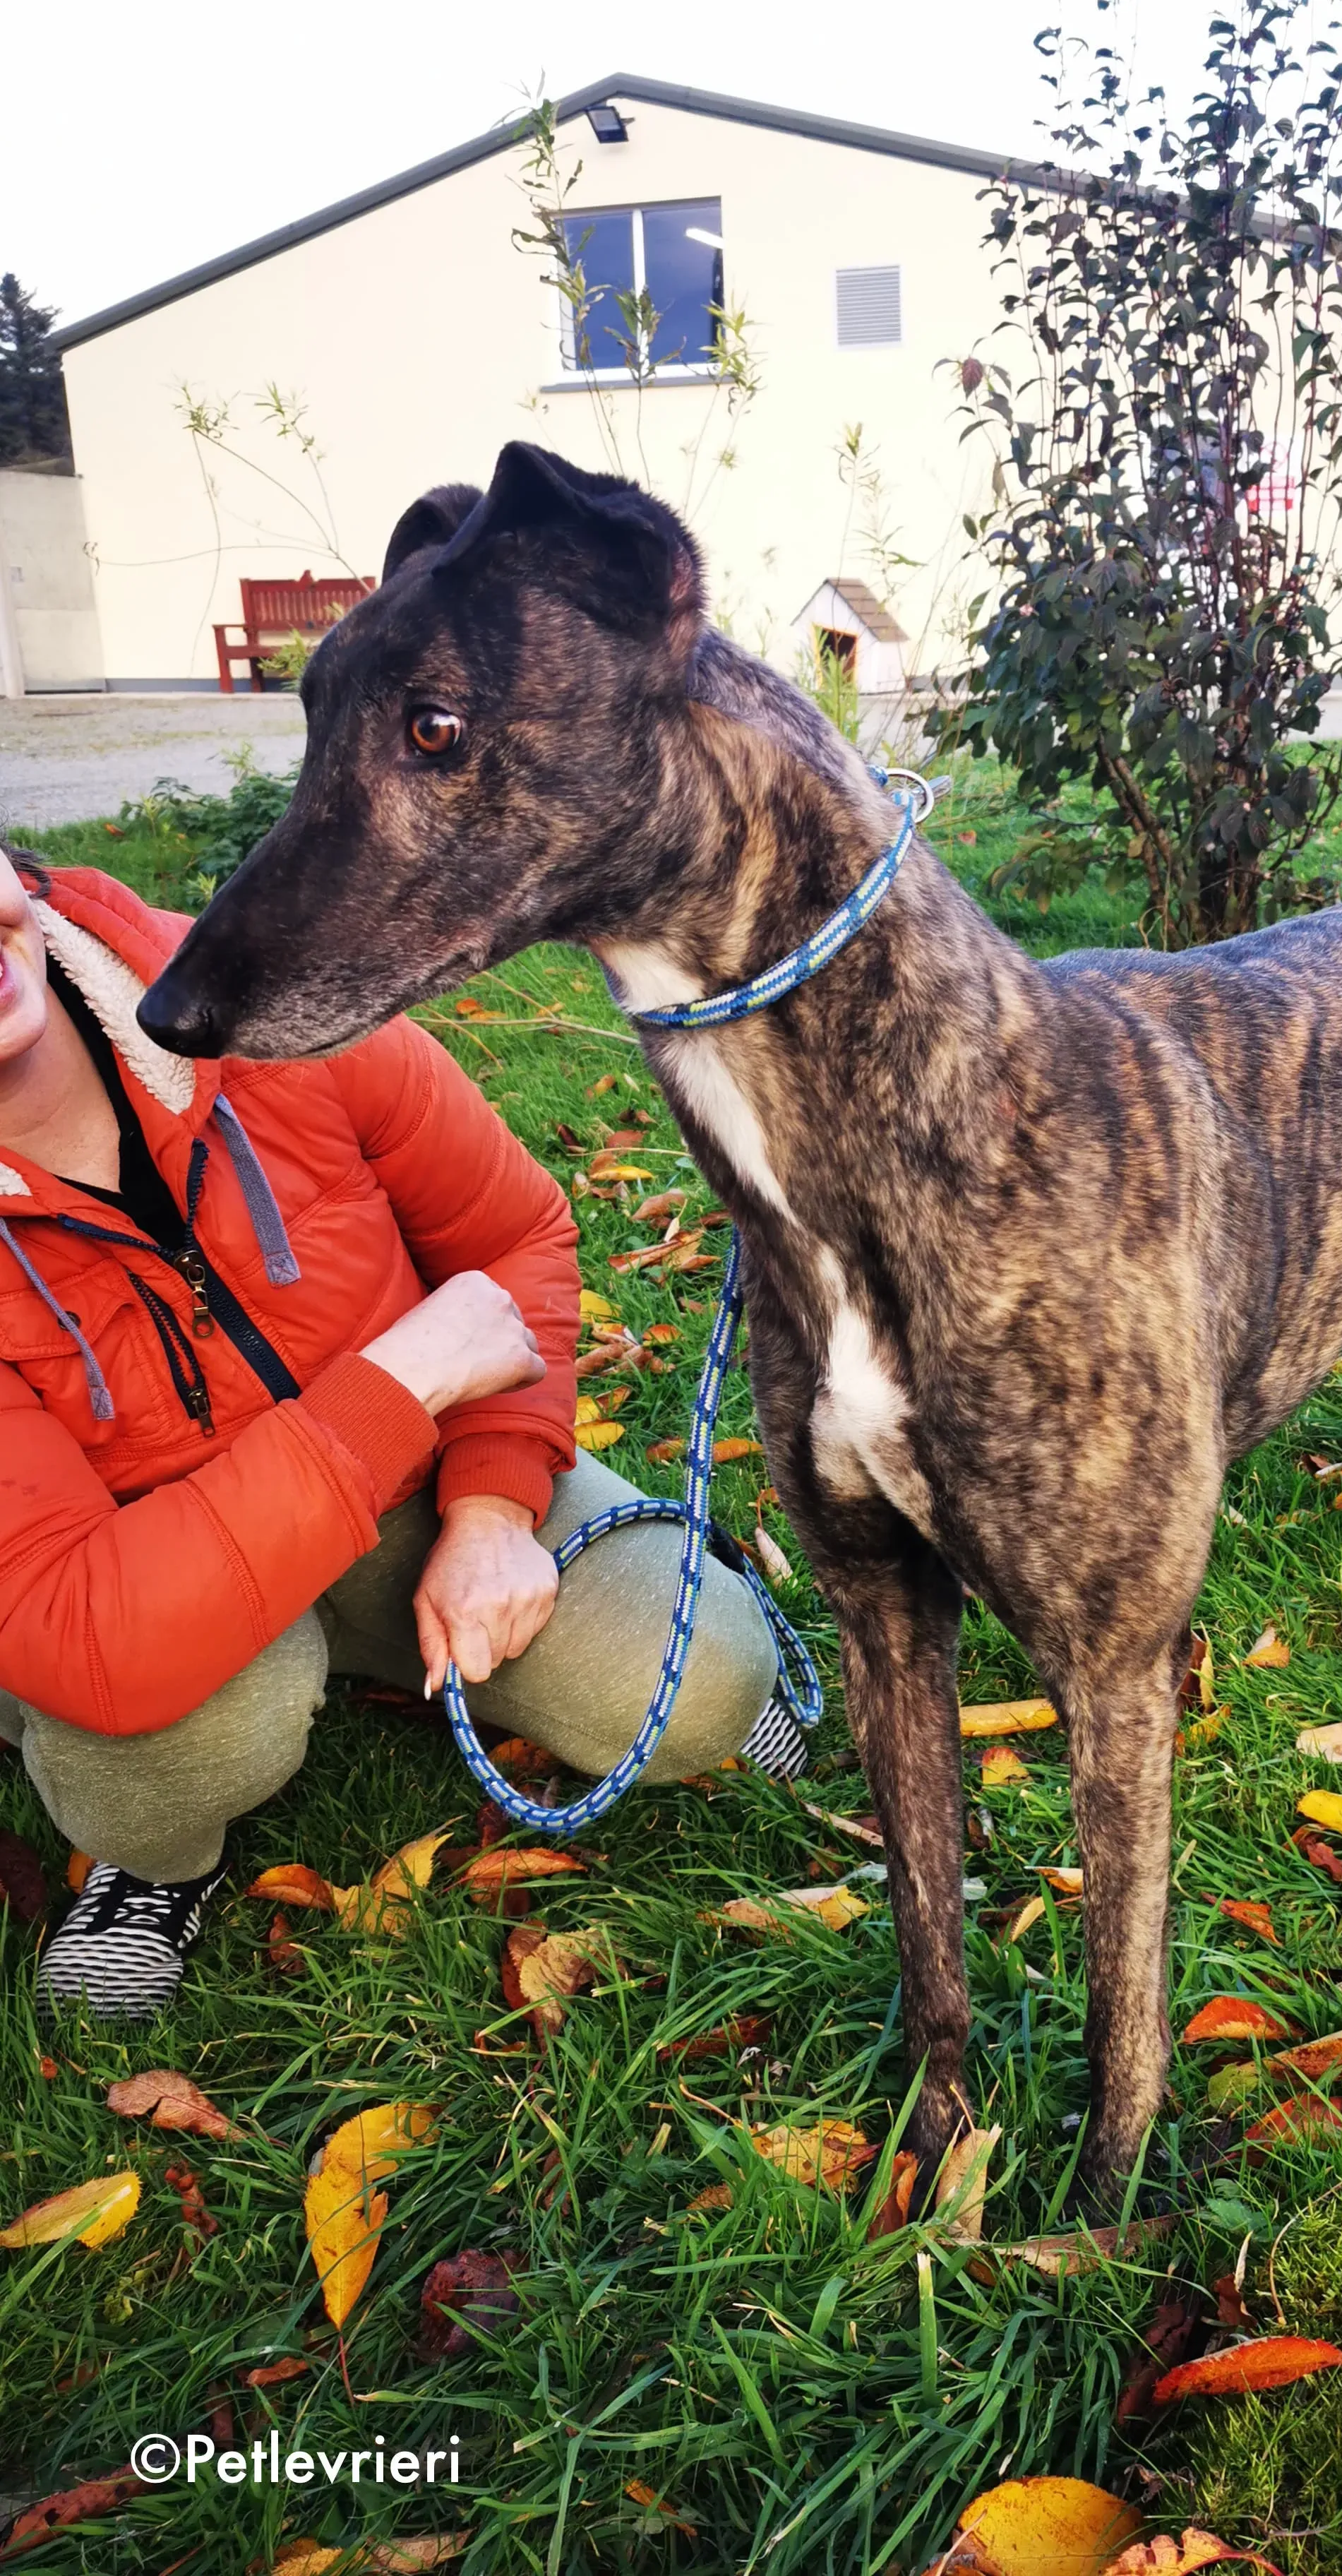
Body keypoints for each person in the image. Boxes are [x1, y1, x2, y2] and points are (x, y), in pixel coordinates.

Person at [0, 848, 794, 2018]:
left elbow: (515, 1238)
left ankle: (451, 1628)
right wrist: (396, 1378)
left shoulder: (277, 996)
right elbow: (76, 1623)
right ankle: (157, 1865)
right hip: (157, 1573)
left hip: (424, 1482)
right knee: (168, 1752)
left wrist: (488, 1509)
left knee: (708, 1682)